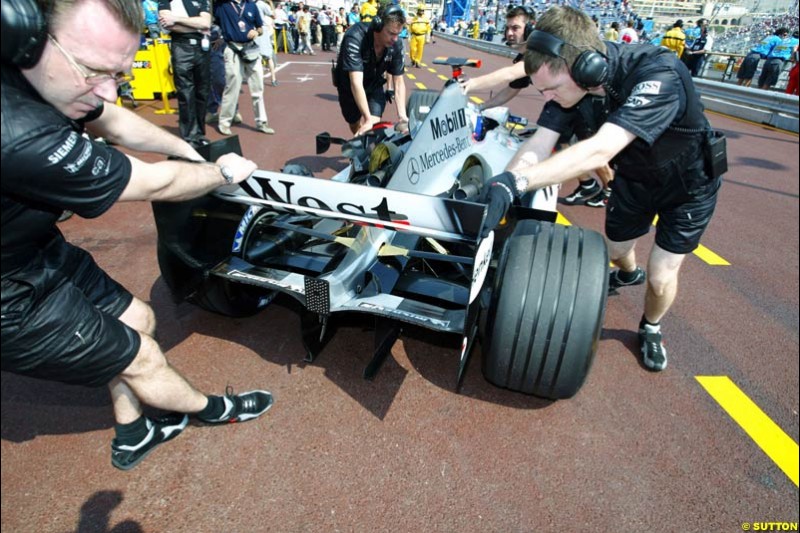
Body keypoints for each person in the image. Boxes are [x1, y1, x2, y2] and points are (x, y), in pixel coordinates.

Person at [1, 0, 273, 471]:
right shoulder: (20, 136)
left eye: (119, 74)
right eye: (93, 71)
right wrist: (221, 172)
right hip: (8, 298)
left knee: (137, 318)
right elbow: (157, 184)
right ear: (28, 38)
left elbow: (111, 118)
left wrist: (187, 149)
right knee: (143, 358)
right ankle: (212, 411)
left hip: (30, 251)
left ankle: (133, 431)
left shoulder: (43, 72)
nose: (106, 90)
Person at [481, 6, 722, 372]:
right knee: (618, 248)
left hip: (688, 185)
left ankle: (651, 326)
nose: (547, 98)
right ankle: (628, 273)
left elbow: (601, 149)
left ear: (584, 68)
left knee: (660, 277)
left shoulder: (658, 72)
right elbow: (538, 145)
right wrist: (503, 187)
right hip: (635, 179)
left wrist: (518, 182)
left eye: (550, 89)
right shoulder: (571, 88)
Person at [333, 4, 409, 135]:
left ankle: (368, 147)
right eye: (391, 33)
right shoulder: (355, 37)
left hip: (374, 85)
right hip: (349, 87)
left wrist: (403, 116)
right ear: (378, 27)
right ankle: (360, 142)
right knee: (355, 123)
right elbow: (355, 83)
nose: (395, 39)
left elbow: (399, 82)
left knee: (372, 129)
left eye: (398, 34)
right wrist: (366, 119)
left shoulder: (396, 43)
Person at [215, 0, 275, 135]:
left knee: (258, 87)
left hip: (251, 49)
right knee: (232, 86)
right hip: (232, 48)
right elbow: (216, 22)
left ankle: (261, 122)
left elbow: (260, 27)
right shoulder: (222, 5)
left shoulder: (251, 5)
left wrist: (256, 32)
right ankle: (224, 122)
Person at [158, 0, 212, 148]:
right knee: (185, 94)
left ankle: (200, 133)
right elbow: (168, 25)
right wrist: (195, 25)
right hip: (181, 48)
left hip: (202, 48)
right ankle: (189, 137)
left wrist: (177, 19)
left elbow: (206, 23)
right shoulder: (165, 1)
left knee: (202, 92)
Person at [256, 0, 279, 87]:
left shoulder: (249, 4)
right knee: (268, 56)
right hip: (262, 30)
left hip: (253, 30)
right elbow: (274, 16)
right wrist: (271, 3)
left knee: (256, 57)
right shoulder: (262, 4)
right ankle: (273, 79)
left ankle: (259, 79)